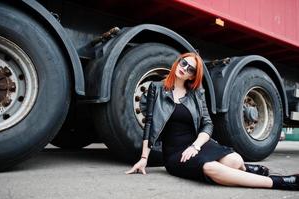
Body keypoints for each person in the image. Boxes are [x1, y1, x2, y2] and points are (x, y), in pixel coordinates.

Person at [125, 52, 299, 190]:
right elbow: (149, 125)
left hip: (197, 145)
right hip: (175, 153)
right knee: (210, 168)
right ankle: (279, 181)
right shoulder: (156, 89)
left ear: (193, 76)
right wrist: (143, 158)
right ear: (177, 62)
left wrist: (196, 146)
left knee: (235, 161)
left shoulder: (196, 93)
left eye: (191, 69)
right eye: (183, 63)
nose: (184, 68)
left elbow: (207, 124)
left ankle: (245, 169)